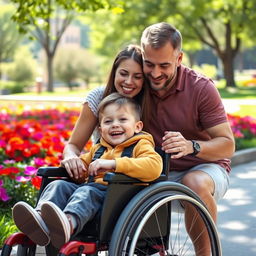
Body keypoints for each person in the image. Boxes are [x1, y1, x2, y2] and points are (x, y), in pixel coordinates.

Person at [12, 93, 162, 249]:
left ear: (138, 126)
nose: (115, 125)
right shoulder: (98, 149)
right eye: (108, 121)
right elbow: (82, 171)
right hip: (92, 194)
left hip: (117, 199)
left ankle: (68, 224)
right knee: (58, 185)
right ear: (100, 129)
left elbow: (154, 167)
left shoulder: (141, 145)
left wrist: (114, 164)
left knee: (86, 192)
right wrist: (72, 167)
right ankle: (40, 220)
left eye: (122, 120)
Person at [140, 22, 235, 256]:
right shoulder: (137, 82)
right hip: (154, 171)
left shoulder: (201, 88)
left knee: (193, 183)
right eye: (149, 64)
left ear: (179, 58)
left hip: (204, 168)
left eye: (164, 65)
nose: (155, 73)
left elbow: (227, 145)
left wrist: (191, 146)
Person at [61, 44, 150, 182]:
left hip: (126, 182)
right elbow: (73, 146)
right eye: (123, 73)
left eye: (137, 77)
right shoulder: (98, 97)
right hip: (97, 174)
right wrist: (71, 157)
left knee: (85, 194)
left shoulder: (149, 104)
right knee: (59, 185)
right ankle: (44, 204)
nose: (128, 81)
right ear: (115, 72)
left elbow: (152, 163)